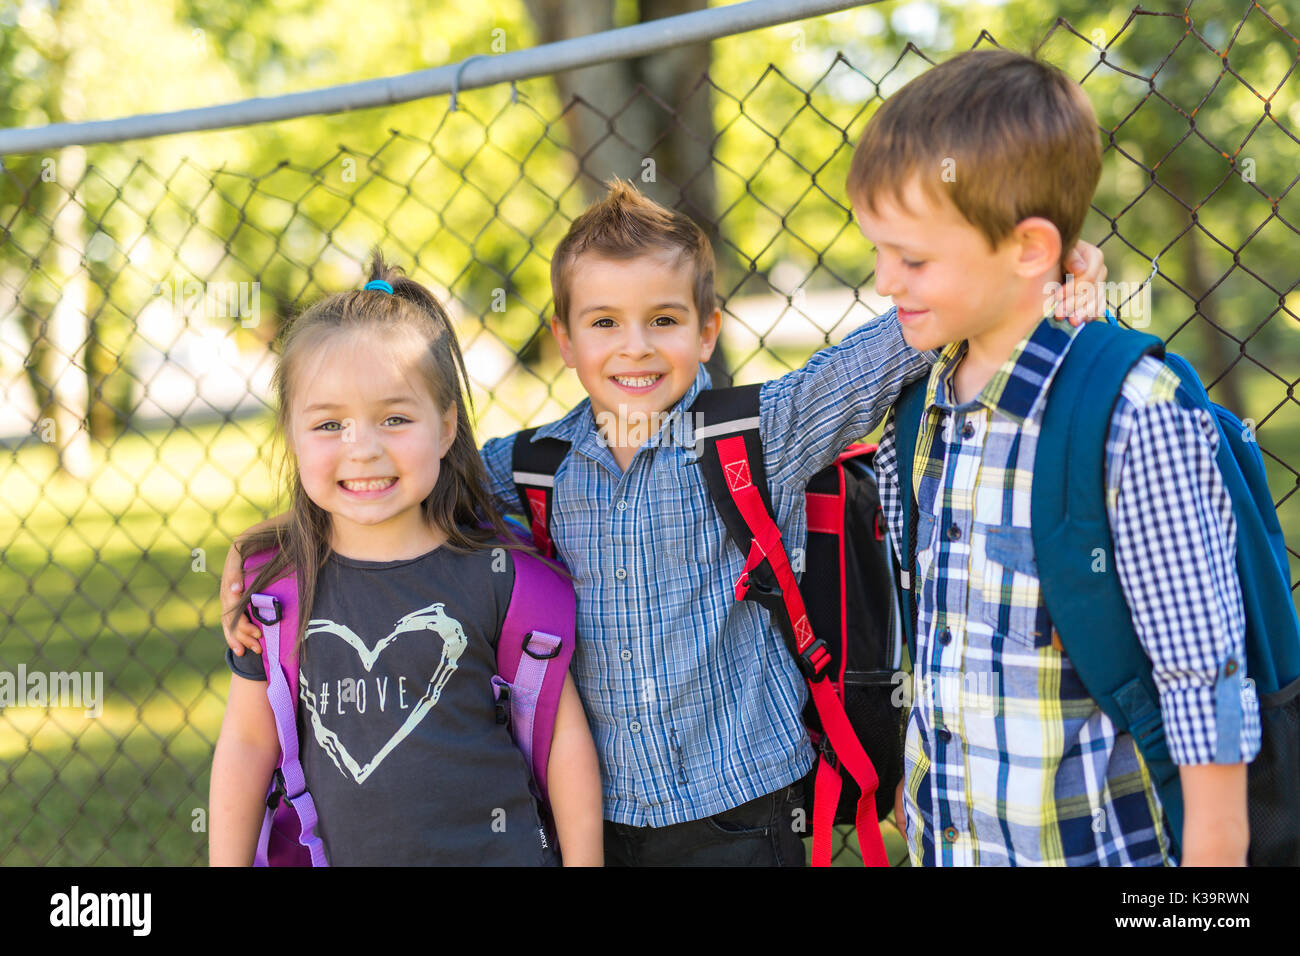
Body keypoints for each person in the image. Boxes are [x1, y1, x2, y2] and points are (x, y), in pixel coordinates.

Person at [221, 184, 1108, 866]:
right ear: (564, 339)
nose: (635, 347)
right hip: (596, 814)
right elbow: (388, 480)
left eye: (665, 321)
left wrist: (1019, 270)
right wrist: (263, 547)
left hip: (748, 801)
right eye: (604, 322)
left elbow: (882, 355)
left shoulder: (757, 437)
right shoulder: (526, 470)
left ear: (708, 329)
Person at [851, 49, 1260, 866]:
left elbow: (1202, 687)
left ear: (1031, 247)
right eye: (878, 250)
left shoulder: (1133, 417)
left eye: (913, 259)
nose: (882, 281)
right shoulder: (921, 405)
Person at [209, 254, 602, 866]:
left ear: (445, 427)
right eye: (330, 424)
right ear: (291, 433)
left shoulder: (499, 577)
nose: (362, 448)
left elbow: (563, 741)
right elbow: (245, 744)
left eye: (394, 418)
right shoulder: (277, 595)